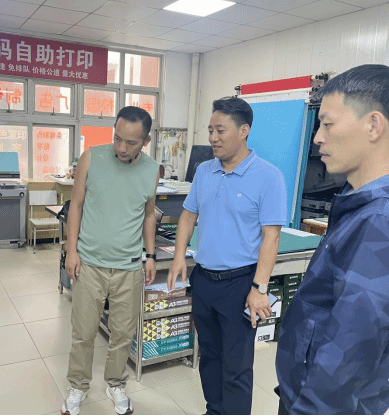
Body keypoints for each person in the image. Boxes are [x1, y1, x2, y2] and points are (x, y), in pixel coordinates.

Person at [276, 64, 389, 415]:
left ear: (373, 125)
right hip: (305, 390)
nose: (317, 138)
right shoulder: (359, 205)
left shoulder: (379, 221)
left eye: (327, 124)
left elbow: (353, 348)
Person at [167, 96, 287, 415]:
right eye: (210, 130)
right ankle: (215, 410)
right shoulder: (205, 171)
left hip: (240, 284)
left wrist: (259, 288)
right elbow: (188, 216)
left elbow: (271, 236)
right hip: (204, 280)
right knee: (209, 356)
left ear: (244, 130)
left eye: (220, 130)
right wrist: (179, 257)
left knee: (236, 366)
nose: (212, 138)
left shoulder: (268, 176)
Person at [61, 106, 160, 416]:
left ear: (145, 141)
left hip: (129, 267)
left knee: (123, 333)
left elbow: (148, 215)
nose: (121, 147)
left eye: (131, 142)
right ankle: (78, 386)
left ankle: (115, 383)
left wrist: (150, 255)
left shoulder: (152, 170)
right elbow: (76, 205)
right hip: (89, 264)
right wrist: (72, 250)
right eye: (117, 138)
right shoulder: (91, 157)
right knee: (83, 332)